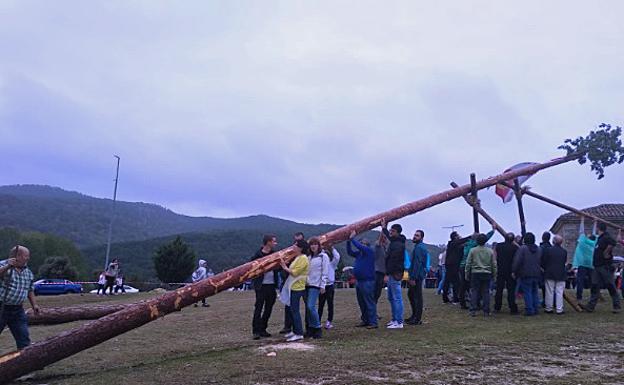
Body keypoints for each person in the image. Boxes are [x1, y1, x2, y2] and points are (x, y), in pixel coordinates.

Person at [0, 245, 40, 349]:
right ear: (17, 256)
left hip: (18, 310)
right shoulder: (3, 265)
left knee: (23, 338)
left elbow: (30, 289)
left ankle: (26, 362)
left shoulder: (28, 272)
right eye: (26, 256)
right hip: (2, 307)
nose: (28, 258)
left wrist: (34, 305)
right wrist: (8, 266)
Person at [580, 223, 621, 313]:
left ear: (598, 228)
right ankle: (590, 306)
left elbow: (613, 243)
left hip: (605, 266)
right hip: (597, 266)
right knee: (594, 285)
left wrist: (606, 252)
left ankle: (617, 306)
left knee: (610, 285)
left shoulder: (606, 237)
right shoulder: (600, 238)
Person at [279, 239, 310, 342]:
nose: (294, 247)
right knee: (292, 310)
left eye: (296, 245)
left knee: (295, 310)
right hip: (293, 286)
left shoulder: (303, 258)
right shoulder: (298, 257)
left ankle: (299, 333)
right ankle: (295, 331)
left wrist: (284, 267)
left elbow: (295, 273)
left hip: (297, 287)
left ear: (301, 248)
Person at [251, 234, 280, 340]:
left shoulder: (275, 254)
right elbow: (251, 269)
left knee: (268, 308)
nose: (275, 243)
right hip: (261, 286)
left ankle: (263, 329)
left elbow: (278, 268)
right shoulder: (257, 255)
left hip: (271, 285)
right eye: (274, 241)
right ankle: (256, 331)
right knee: (258, 308)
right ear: (268, 242)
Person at [347, 231, 378, 329]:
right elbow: (350, 252)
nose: (361, 245)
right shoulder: (359, 254)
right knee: (361, 302)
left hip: (368, 281)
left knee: (369, 302)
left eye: (363, 243)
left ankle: (373, 322)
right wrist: (348, 241)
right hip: (359, 281)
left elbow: (360, 247)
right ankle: (365, 320)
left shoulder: (369, 251)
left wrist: (352, 239)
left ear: (366, 245)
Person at [459, 228, 495, 309]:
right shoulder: (474, 246)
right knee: (477, 289)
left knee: (465, 286)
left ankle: (465, 303)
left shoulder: (467, 244)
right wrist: (493, 230)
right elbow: (486, 237)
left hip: (462, 266)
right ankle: (478, 305)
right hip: (471, 267)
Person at [381, 218, 406, 329]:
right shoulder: (396, 242)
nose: (390, 233)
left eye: (392, 231)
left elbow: (393, 261)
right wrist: (384, 228)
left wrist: (387, 273)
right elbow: (389, 237)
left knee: (396, 298)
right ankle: (395, 319)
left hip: (395, 274)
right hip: (393, 273)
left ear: (397, 232)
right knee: (391, 297)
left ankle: (399, 321)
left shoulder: (397, 245)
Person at [465, 233, 497, 317]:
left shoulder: (473, 250)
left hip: (475, 272)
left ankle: (473, 310)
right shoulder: (490, 251)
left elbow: (468, 263)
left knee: (474, 291)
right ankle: (486, 311)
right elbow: (494, 264)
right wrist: (494, 274)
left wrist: (467, 273)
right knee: (485, 292)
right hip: (487, 273)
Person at [304, 237, 329, 339]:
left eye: (315, 244)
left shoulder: (324, 256)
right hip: (307, 285)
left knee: (311, 306)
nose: (313, 246)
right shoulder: (309, 257)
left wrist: (323, 285)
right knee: (308, 309)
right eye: (311, 244)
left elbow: (325, 271)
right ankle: (310, 328)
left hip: (316, 285)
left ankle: (317, 327)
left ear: (318, 245)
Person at [512, 233, 542, 316]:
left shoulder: (522, 249)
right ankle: (536, 308)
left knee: (527, 292)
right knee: (534, 291)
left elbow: (517, 261)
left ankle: (529, 309)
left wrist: (514, 271)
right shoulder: (539, 249)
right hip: (536, 273)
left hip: (525, 273)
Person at [541, 235, 567, 314]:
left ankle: (549, 308)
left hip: (550, 272)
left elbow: (544, 261)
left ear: (554, 241)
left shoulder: (548, 250)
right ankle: (559, 309)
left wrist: (544, 268)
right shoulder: (564, 251)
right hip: (561, 273)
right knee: (559, 292)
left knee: (549, 291)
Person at [406, 230, 428, 325]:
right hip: (417, 274)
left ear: (421, 237)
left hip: (417, 276)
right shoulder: (419, 247)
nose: (414, 237)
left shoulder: (419, 248)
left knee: (417, 297)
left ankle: (417, 318)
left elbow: (417, 264)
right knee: (411, 295)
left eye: (417, 235)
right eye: (414, 235)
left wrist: (413, 277)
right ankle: (414, 315)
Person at [494, 233, 519, 314]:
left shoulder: (499, 246)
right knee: (511, 290)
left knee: (499, 289)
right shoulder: (515, 248)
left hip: (501, 270)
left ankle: (497, 307)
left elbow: (495, 257)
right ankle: (512, 308)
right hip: (511, 271)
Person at [572, 217, 596, 301]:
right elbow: (594, 233)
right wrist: (595, 223)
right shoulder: (594, 243)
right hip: (591, 264)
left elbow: (581, 231)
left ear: (588, 238)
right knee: (592, 281)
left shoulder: (583, 242)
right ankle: (593, 296)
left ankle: (579, 297)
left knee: (580, 281)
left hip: (582, 263)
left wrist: (582, 219)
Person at [443, 232, 471, 305]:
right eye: (458, 235)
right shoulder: (452, 243)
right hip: (452, 266)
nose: (459, 236)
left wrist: (464, 244)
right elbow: (459, 243)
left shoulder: (453, 245)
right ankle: (455, 299)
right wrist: (470, 237)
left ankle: (447, 298)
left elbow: (459, 247)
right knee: (456, 282)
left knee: (449, 282)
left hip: (451, 265)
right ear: (455, 237)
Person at [319, 244, 340, 329]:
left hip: (330, 286)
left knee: (330, 304)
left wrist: (332, 248)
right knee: (321, 304)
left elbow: (337, 257)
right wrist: (323, 249)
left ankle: (329, 321)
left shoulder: (332, 265)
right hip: (322, 286)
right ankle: (318, 321)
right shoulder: (320, 265)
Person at [373, 233, 387, 308]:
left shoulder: (385, 248)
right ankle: (370, 314)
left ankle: (373, 313)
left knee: (377, 294)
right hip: (377, 273)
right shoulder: (378, 246)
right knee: (374, 294)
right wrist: (384, 227)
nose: (385, 239)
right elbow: (379, 240)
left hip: (381, 274)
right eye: (384, 237)